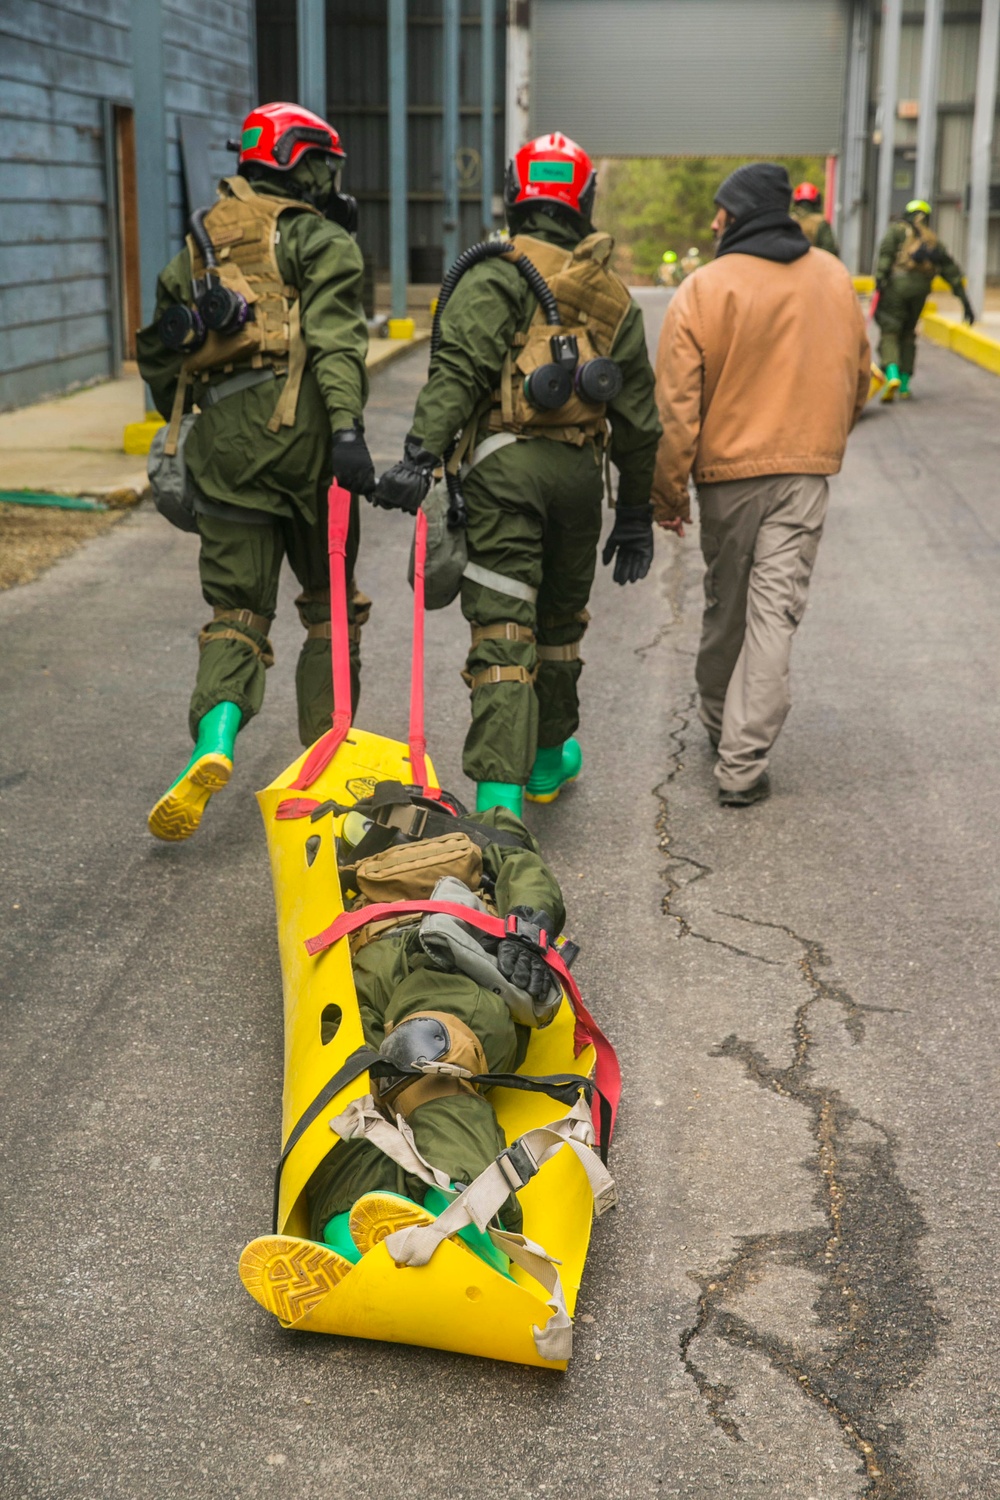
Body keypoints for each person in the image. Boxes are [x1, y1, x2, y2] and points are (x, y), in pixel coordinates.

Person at [370, 132, 662, 818]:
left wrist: (419, 457)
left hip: (504, 473)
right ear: (583, 201)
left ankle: (499, 810)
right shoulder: (612, 294)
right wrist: (636, 514)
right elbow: (641, 423)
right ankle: (549, 761)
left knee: (504, 630)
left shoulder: (493, 271)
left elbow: (458, 370)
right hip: (579, 478)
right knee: (560, 626)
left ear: (515, 194)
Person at [137, 103, 374, 842]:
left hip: (224, 445)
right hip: (304, 440)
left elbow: (158, 356)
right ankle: (323, 774)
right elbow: (336, 343)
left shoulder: (196, 246)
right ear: (305, 164)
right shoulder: (318, 238)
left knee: (237, 610)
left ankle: (213, 744)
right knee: (329, 608)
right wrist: (346, 429)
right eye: (325, 166)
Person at [240, 786, 568, 1306]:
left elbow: (525, 866)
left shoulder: (481, 826)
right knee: (352, 1083)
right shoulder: (351, 835)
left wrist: (527, 928)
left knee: (429, 1051)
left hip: (449, 953)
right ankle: (349, 1236)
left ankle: (469, 1227)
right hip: (364, 963)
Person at [651, 162, 870, 807]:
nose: (715, 221)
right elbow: (859, 376)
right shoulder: (833, 276)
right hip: (804, 476)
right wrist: (820, 439)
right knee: (775, 614)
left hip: (726, 480)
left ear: (741, 214)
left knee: (729, 607)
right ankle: (743, 763)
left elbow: (676, 408)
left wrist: (668, 494)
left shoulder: (704, 288)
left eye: (723, 210)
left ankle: (725, 735)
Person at [873, 199, 974, 401]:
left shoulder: (897, 231)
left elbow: (885, 257)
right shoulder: (932, 241)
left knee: (890, 331)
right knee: (909, 333)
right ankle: (905, 384)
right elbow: (951, 272)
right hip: (921, 290)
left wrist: (880, 281)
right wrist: (966, 304)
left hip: (896, 287)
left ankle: (892, 375)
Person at [790, 181, 839, 256]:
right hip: (816, 265)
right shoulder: (820, 222)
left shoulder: (788, 221)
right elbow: (830, 249)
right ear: (817, 201)